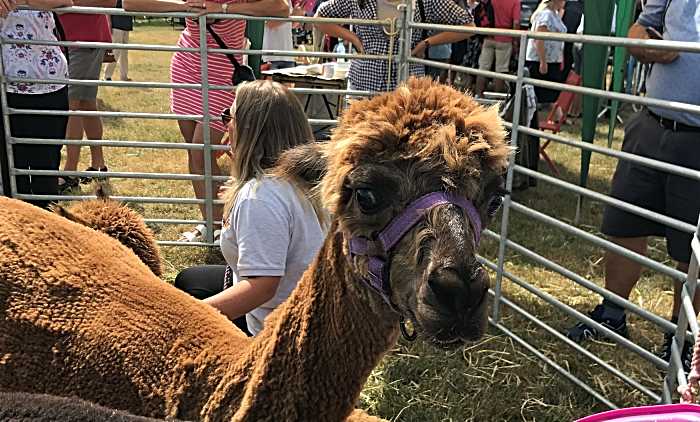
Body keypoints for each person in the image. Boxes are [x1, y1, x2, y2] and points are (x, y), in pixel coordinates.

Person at [562, 0, 700, 373]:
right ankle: (611, 313)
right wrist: (644, 45)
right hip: (650, 124)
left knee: (693, 250)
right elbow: (638, 29)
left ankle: (681, 337)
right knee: (624, 224)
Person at [123, 0, 289, 243]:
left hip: (222, 74)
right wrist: (184, 7)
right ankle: (211, 224)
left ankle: (225, 223)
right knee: (196, 154)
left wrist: (221, 9)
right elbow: (130, 3)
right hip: (186, 68)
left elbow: (281, 9)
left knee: (202, 153)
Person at [174, 81, 329, 336]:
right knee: (190, 280)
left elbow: (262, 286)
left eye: (229, 116)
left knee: (185, 307)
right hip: (314, 313)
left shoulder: (259, 198)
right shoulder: (311, 179)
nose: (225, 125)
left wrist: (187, 320)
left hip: (275, 332)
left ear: (250, 130)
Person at [0, 0, 73, 209]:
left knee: (45, 171)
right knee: (9, 176)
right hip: (4, 86)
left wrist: (22, 1)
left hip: (47, 83)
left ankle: (45, 233)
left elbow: (65, 1)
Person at [314, 0, 475, 93]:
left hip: (409, 85)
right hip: (364, 81)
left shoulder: (424, 1)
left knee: (402, 143)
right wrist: (353, 38)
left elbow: (468, 25)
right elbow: (319, 17)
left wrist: (426, 43)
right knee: (360, 142)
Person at [57, 0, 116, 193]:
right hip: (83, 38)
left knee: (72, 104)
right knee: (86, 103)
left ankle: (70, 172)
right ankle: (98, 165)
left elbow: (109, 1)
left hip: (79, 39)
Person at [474, 0, 520, 97]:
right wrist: (515, 40)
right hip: (505, 38)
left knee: (483, 68)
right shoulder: (515, 2)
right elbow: (516, 23)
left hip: (488, 35)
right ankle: (497, 96)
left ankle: (479, 94)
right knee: (501, 69)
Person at [523, 0, 566, 105]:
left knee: (550, 93)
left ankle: (557, 116)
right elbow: (539, 38)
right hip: (542, 59)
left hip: (552, 59)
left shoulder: (554, 13)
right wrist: (543, 61)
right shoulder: (546, 14)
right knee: (539, 94)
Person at [263, 0, 305, 70]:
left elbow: (292, 25)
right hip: (271, 56)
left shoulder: (287, 1)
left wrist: (299, 15)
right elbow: (270, 24)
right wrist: (292, 16)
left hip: (288, 56)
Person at [448, 0, 480, 88]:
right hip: (456, 34)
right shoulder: (456, 5)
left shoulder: (471, 6)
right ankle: (449, 84)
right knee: (450, 61)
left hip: (463, 37)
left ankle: (452, 85)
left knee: (457, 61)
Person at [103, 0, 133, 81]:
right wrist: (108, 22)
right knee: (115, 51)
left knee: (124, 52)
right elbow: (107, 8)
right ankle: (107, 75)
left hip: (126, 24)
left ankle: (124, 76)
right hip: (116, 24)